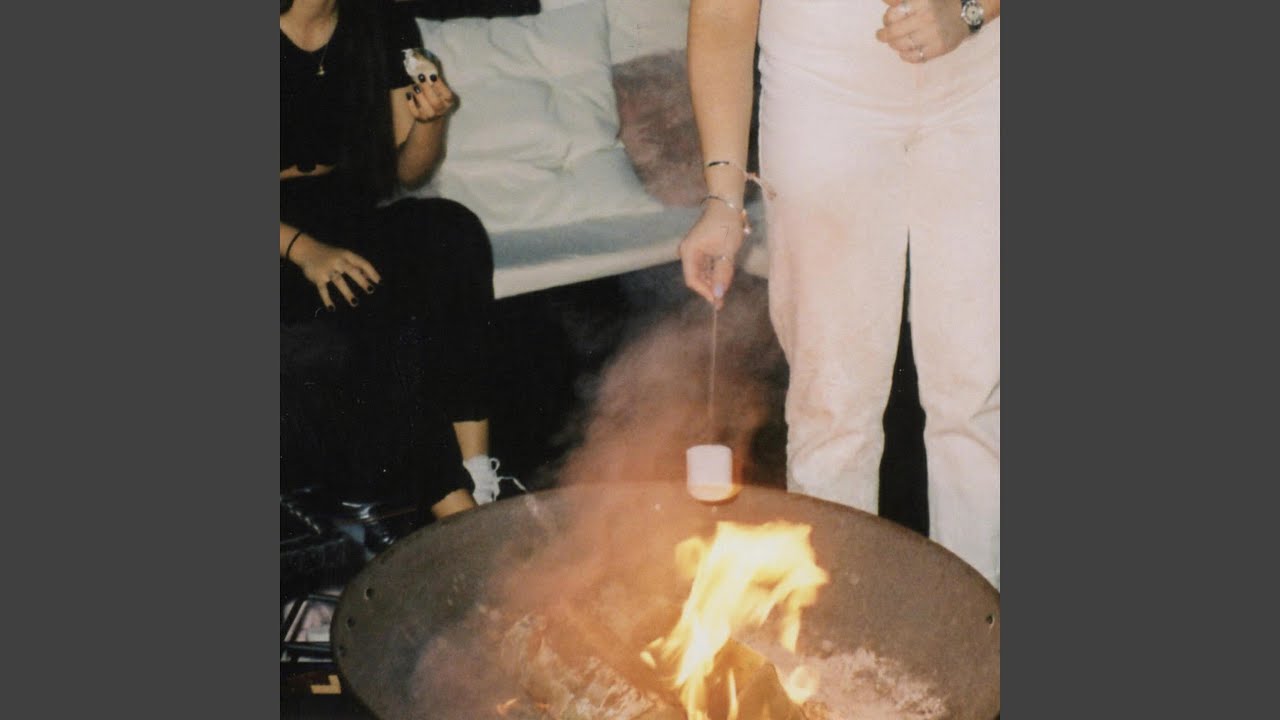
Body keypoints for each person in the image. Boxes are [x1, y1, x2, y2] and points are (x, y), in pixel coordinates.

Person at [677, 0, 1001, 588]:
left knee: (976, 395)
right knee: (831, 404)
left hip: (983, 87)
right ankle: (833, 619)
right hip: (823, 97)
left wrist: (972, 10)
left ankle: (985, 619)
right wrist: (723, 199)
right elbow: (723, 16)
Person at [279, 0, 521, 551]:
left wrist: (430, 120)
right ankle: (454, 511)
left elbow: (408, 172)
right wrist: (303, 249)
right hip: (278, 235)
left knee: (452, 231)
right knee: (366, 296)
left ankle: (477, 473)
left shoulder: (380, 21)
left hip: (344, 212)